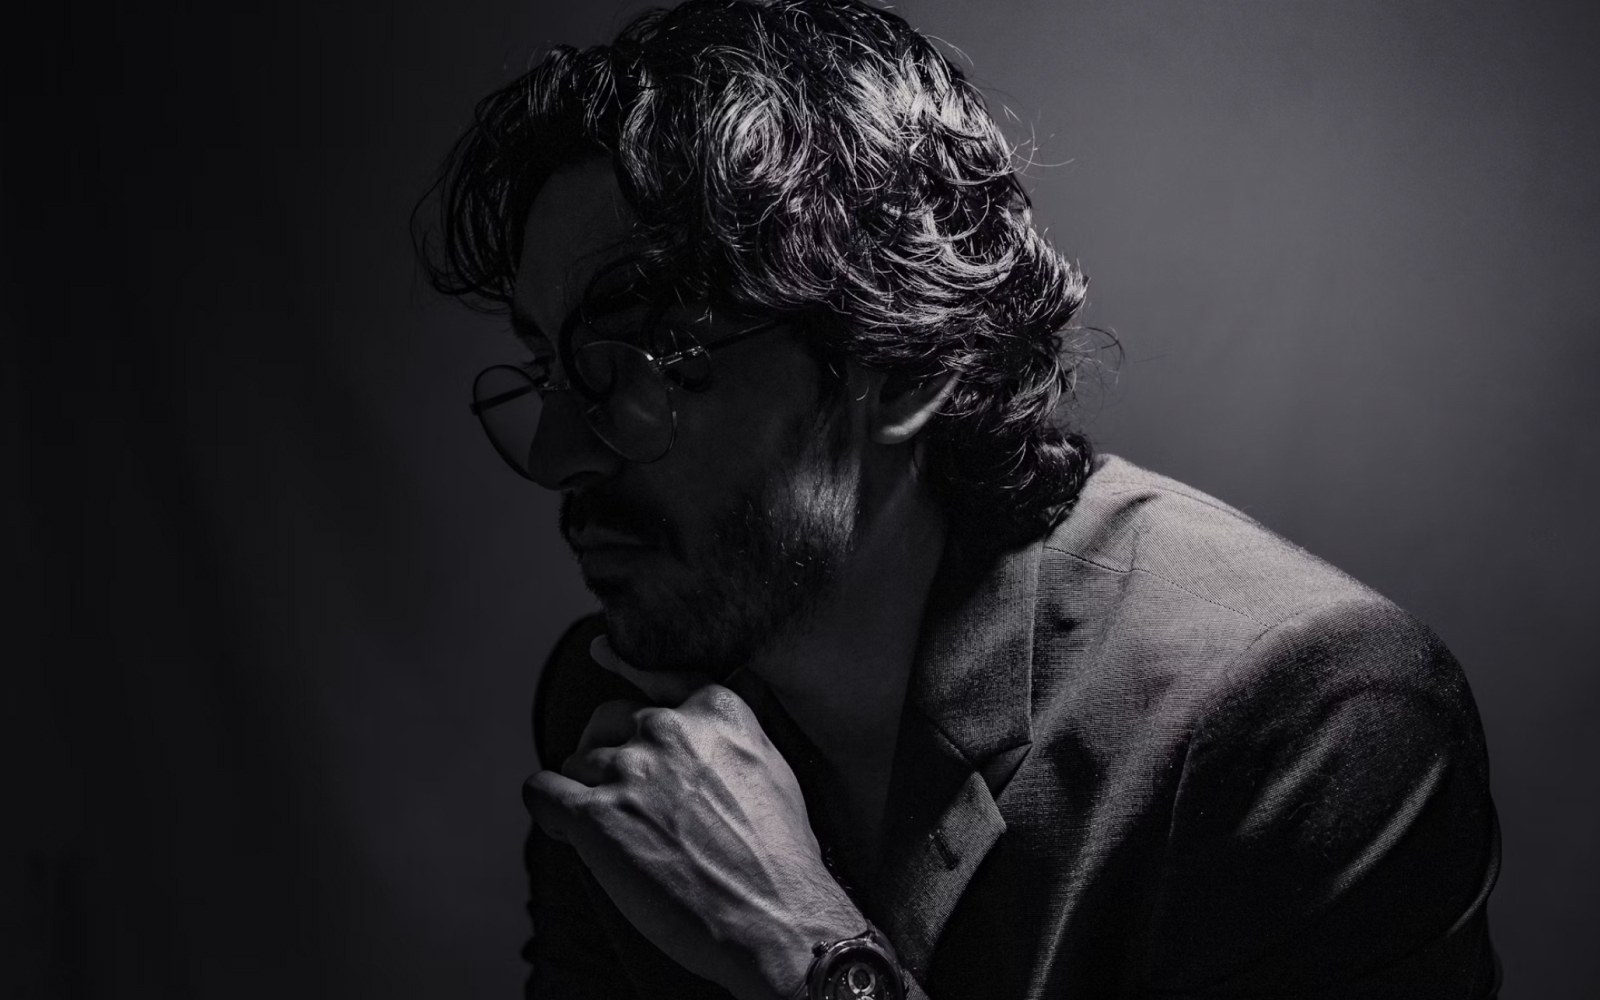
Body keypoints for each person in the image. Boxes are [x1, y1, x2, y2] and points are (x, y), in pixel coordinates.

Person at [416, 1, 1500, 997]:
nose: (557, 454)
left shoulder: (1309, 718)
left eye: (638, 365)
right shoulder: (620, 708)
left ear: (898, 366)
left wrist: (811, 956)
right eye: (550, 371)